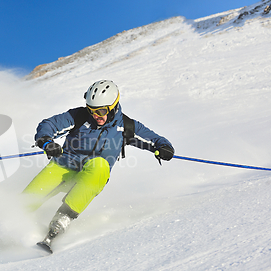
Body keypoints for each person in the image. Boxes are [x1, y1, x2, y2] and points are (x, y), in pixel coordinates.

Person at [22, 80, 174, 250]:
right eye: (91, 110)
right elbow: (49, 125)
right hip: (63, 166)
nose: (96, 115)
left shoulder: (127, 127)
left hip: (92, 175)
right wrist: (46, 141)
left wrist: (164, 148)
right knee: (24, 202)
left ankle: (62, 220)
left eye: (101, 111)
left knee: (100, 165)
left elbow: (154, 139)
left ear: (113, 107)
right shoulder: (79, 117)